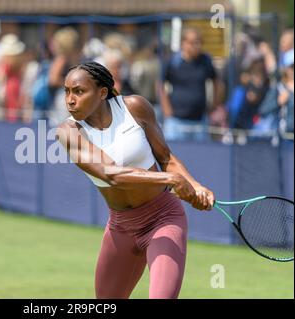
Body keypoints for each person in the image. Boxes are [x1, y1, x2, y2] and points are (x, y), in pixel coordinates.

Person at [56, 61, 214, 299]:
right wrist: (170, 179)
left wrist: (195, 185)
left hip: (164, 219)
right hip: (120, 227)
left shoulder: (135, 107)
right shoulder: (68, 132)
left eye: (79, 91)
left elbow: (166, 156)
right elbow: (110, 174)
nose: (70, 99)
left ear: (102, 93)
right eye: (66, 91)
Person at [159, 27, 221, 141]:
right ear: (183, 43)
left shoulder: (205, 61)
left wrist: (214, 104)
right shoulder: (173, 61)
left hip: (199, 121)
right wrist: (166, 108)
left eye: (199, 42)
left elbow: (216, 81)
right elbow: (160, 84)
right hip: (175, 122)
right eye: (192, 42)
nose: (196, 46)